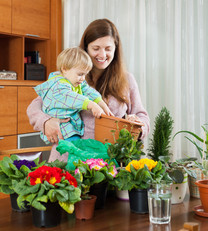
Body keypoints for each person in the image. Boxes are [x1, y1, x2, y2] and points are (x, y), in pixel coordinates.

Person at [27, 18, 150, 162]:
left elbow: (143, 116)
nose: (102, 55)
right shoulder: (67, 77)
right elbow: (33, 107)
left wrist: (137, 124)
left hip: (110, 163)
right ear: (86, 48)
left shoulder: (127, 80)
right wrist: (46, 122)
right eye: (96, 48)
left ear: (116, 49)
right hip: (68, 160)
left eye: (108, 49)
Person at [34, 47, 113, 144]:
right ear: (64, 69)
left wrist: (101, 103)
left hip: (69, 125)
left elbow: (87, 90)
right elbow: (72, 97)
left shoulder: (74, 80)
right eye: (80, 74)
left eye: (85, 74)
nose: (83, 78)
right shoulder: (58, 87)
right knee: (75, 148)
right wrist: (92, 105)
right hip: (62, 127)